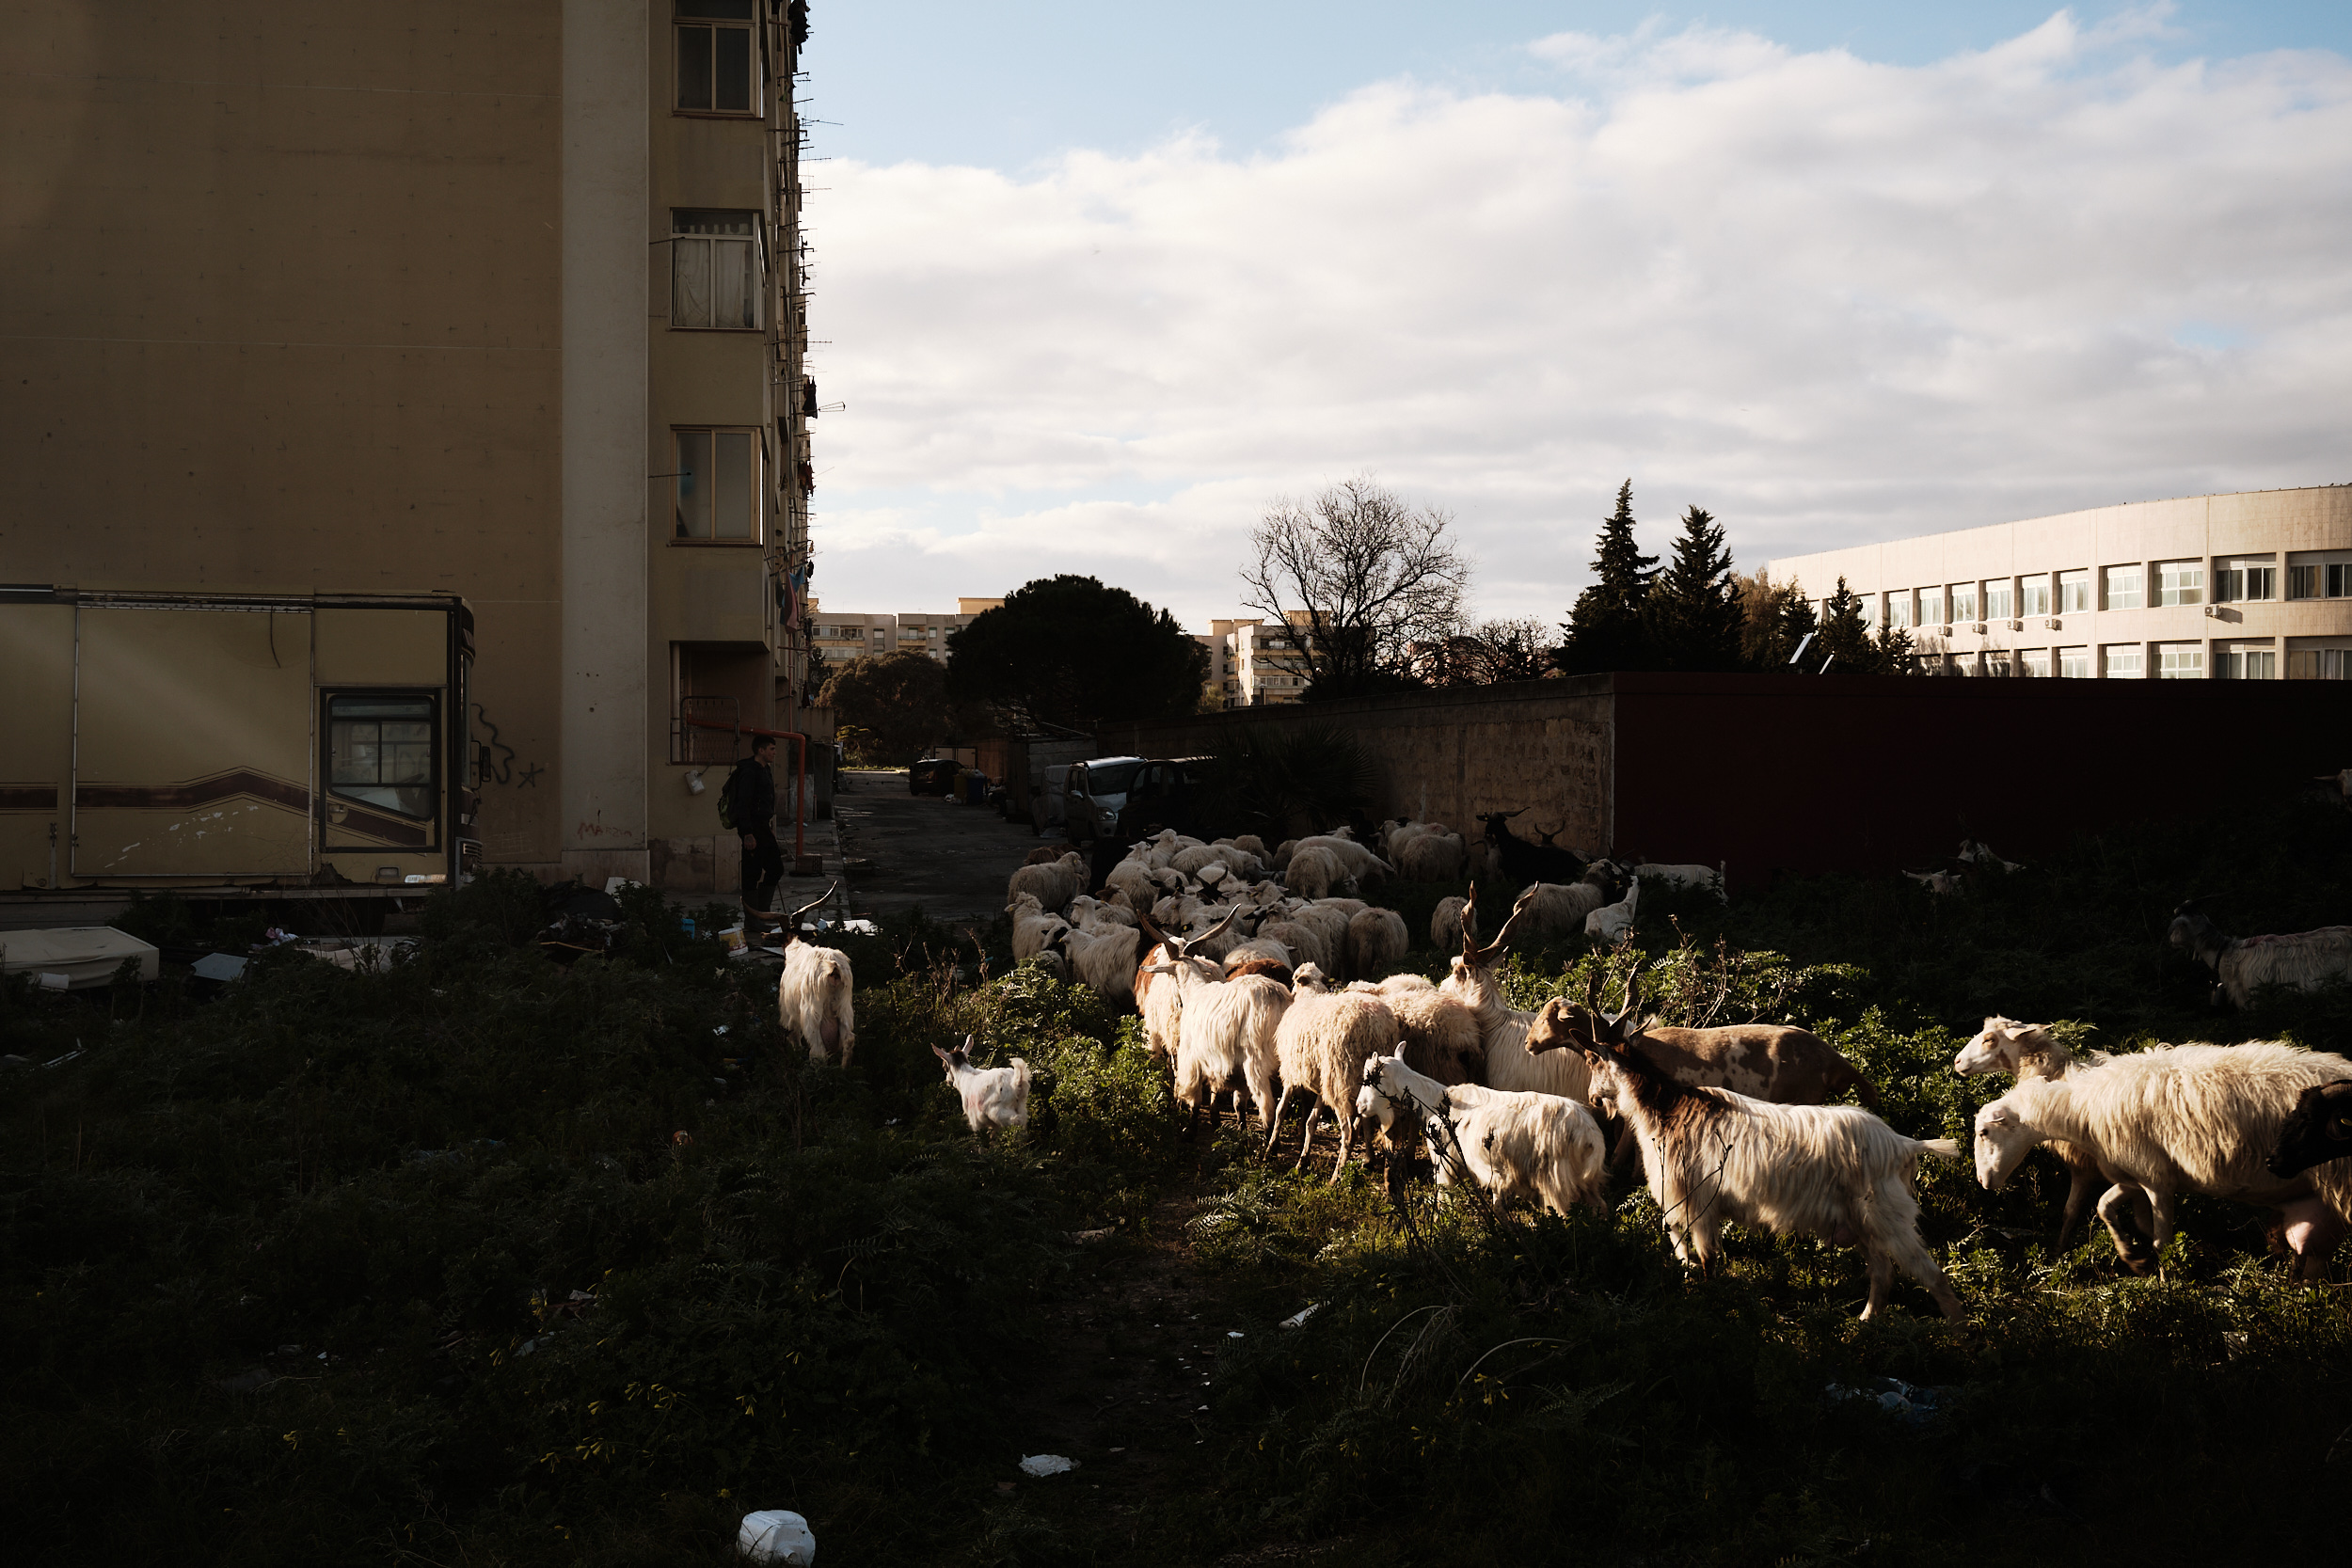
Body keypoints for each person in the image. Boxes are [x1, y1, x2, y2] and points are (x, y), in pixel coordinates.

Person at [731, 736, 785, 931]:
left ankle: (762, 913)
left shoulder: (765, 770)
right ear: (760, 750)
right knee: (751, 873)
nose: (774, 752)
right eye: (771, 749)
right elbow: (743, 804)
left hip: (762, 826)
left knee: (775, 868)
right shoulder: (749, 772)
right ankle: (753, 921)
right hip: (752, 828)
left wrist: (768, 825)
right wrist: (747, 833)